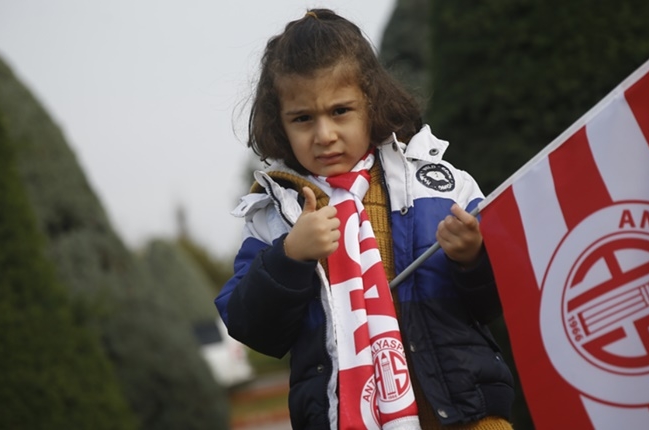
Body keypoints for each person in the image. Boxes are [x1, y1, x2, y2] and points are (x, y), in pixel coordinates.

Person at [215, 8, 514, 430]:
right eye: (303, 118)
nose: (324, 134)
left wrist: (473, 258)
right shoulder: (274, 217)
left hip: (467, 415)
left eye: (340, 111)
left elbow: (496, 301)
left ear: (372, 103)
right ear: (278, 122)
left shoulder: (441, 185)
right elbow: (252, 327)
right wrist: (289, 257)